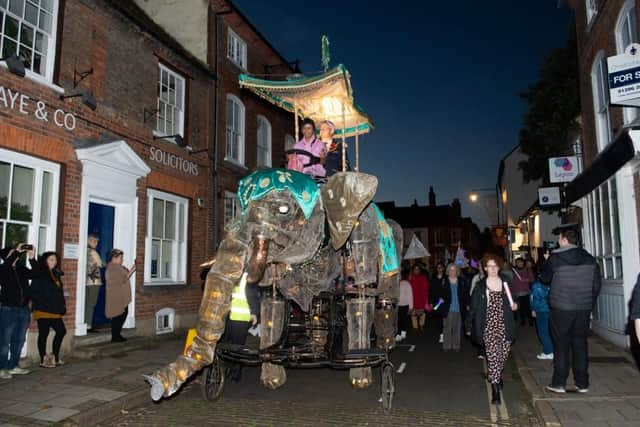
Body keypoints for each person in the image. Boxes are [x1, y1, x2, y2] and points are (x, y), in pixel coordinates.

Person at [539, 225, 601, 394]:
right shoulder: (590, 258)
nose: (558, 241)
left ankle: (559, 383)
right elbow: (596, 285)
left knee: (561, 345)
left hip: (561, 308)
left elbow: (544, 278)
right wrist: (588, 303)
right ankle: (582, 383)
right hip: (583, 308)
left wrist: (546, 261)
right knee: (580, 344)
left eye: (559, 238)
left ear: (565, 240)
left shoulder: (555, 258)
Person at [466, 254, 517, 404]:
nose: (493, 269)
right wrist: (468, 326)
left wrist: (515, 305)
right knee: (493, 357)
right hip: (488, 326)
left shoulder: (506, 283)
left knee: (502, 357)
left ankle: (496, 375)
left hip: (505, 325)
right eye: (489, 266)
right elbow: (473, 309)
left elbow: (515, 301)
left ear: (499, 267)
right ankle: (495, 390)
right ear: (485, 268)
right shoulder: (480, 287)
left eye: (495, 266)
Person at [0, 244, 34, 378]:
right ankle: (1, 367)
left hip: (23, 310)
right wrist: (16, 253)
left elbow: (35, 274)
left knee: (19, 340)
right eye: (13, 253)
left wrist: (32, 258)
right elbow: (6, 267)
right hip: (8, 310)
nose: (17, 255)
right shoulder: (3, 269)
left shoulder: (21, 269)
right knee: (4, 341)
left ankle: (13, 365)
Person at [31, 251, 67, 368]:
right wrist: (32, 258)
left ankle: (54, 356)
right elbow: (36, 269)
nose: (54, 262)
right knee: (44, 333)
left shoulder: (55, 273)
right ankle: (43, 359)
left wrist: (62, 305)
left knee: (61, 331)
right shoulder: (41, 272)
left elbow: (58, 292)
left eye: (55, 260)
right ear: (45, 261)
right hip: (43, 308)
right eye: (51, 260)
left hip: (55, 309)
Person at [223, 272, 260, 382]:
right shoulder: (231, 276)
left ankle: (236, 373)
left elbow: (253, 296)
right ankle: (229, 368)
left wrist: (254, 313)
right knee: (227, 344)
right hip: (229, 317)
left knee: (237, 346)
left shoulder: (247, 278)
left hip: (241, 317)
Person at [105, 249, 135, 343]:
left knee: (121, 314)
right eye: (120, 258)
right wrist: (133, 269)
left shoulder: (117, 267)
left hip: (120, 295)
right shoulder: (112, 268)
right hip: (116, 295)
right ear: (114, 258)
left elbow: (124, 277)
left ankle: (117, 335)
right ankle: (115, 336)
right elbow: (123, 279)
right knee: (118, 315)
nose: (122, 260)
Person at [439, 263, 469, 351]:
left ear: (457, 271)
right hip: (447, 308)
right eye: (451, 270)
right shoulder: (444, 281)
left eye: (454, 270)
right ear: (448, 271)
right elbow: (440, 293)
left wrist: (467, 304)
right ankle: (446, 346)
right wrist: (440, 300)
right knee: (447, 328)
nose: (452, 272)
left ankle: (456, 345)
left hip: (459, 308)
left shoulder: (461, 281)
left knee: (457, 328)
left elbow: (465, 294)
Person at [530, 278, 553, 360]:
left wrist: (533, 309)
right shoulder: (554, 282)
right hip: (552, 309)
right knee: (550, 331)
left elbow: (534, 299)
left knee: (543, 332)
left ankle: (548, 352)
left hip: (541, 310)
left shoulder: (536, 285)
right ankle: (552, 350)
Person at [85, 233, 104, 332]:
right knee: (91, 304)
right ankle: (88, 325)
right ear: (88, 240)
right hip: (94, 281)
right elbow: (101, 264)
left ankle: (86, 323)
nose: (96, 243)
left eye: (97, 241)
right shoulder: (93, 252)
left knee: (87, 303)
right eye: (93, 241)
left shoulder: (85, 251)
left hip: (86, 280)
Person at [512, 257, 534, 326]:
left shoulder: (527, 269)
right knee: (521, 308)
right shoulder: (514, 271)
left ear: (523, 262)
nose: (519, 263)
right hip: (518, 292)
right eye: (517, 262)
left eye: (520, 262)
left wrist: (524, 280)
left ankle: (530, 320)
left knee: (528, 307)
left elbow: (532, 279)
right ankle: (523, 320)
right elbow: (513, 281)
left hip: (527, 292)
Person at [409, 264, 429, 334]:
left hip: (421, 297)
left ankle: (421, 325)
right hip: (413, 298)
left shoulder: (423, 277)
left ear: (420, 270)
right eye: (415, 269)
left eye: (418, 269)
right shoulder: (411, 277)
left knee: (422, 313)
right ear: (413, 270)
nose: (416, 270)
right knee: (413, 313)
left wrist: (426, 298)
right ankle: (415, 327)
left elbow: (426, 288)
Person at [430, 262, 446, 343]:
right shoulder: (433, 279)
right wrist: (431, 302)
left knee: (445, 318)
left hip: (445, 302)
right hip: (437, 303)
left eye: (441, 267)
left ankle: (444, 334)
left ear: (443, 269)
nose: (439, 269)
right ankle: (441, 334)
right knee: (438, 319)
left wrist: (445, 298)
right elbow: (431, 291)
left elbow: (448, 291)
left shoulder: (446, 278)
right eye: (438, 267)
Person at [395, 270, 413, 342]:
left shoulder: (404, 284)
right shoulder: (398, 284)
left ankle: (401, 334)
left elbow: (410, 296)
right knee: (401, 320)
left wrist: (411, 307)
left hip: (402, 305)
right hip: (401, 305)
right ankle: (402, 333)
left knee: (402, 320)